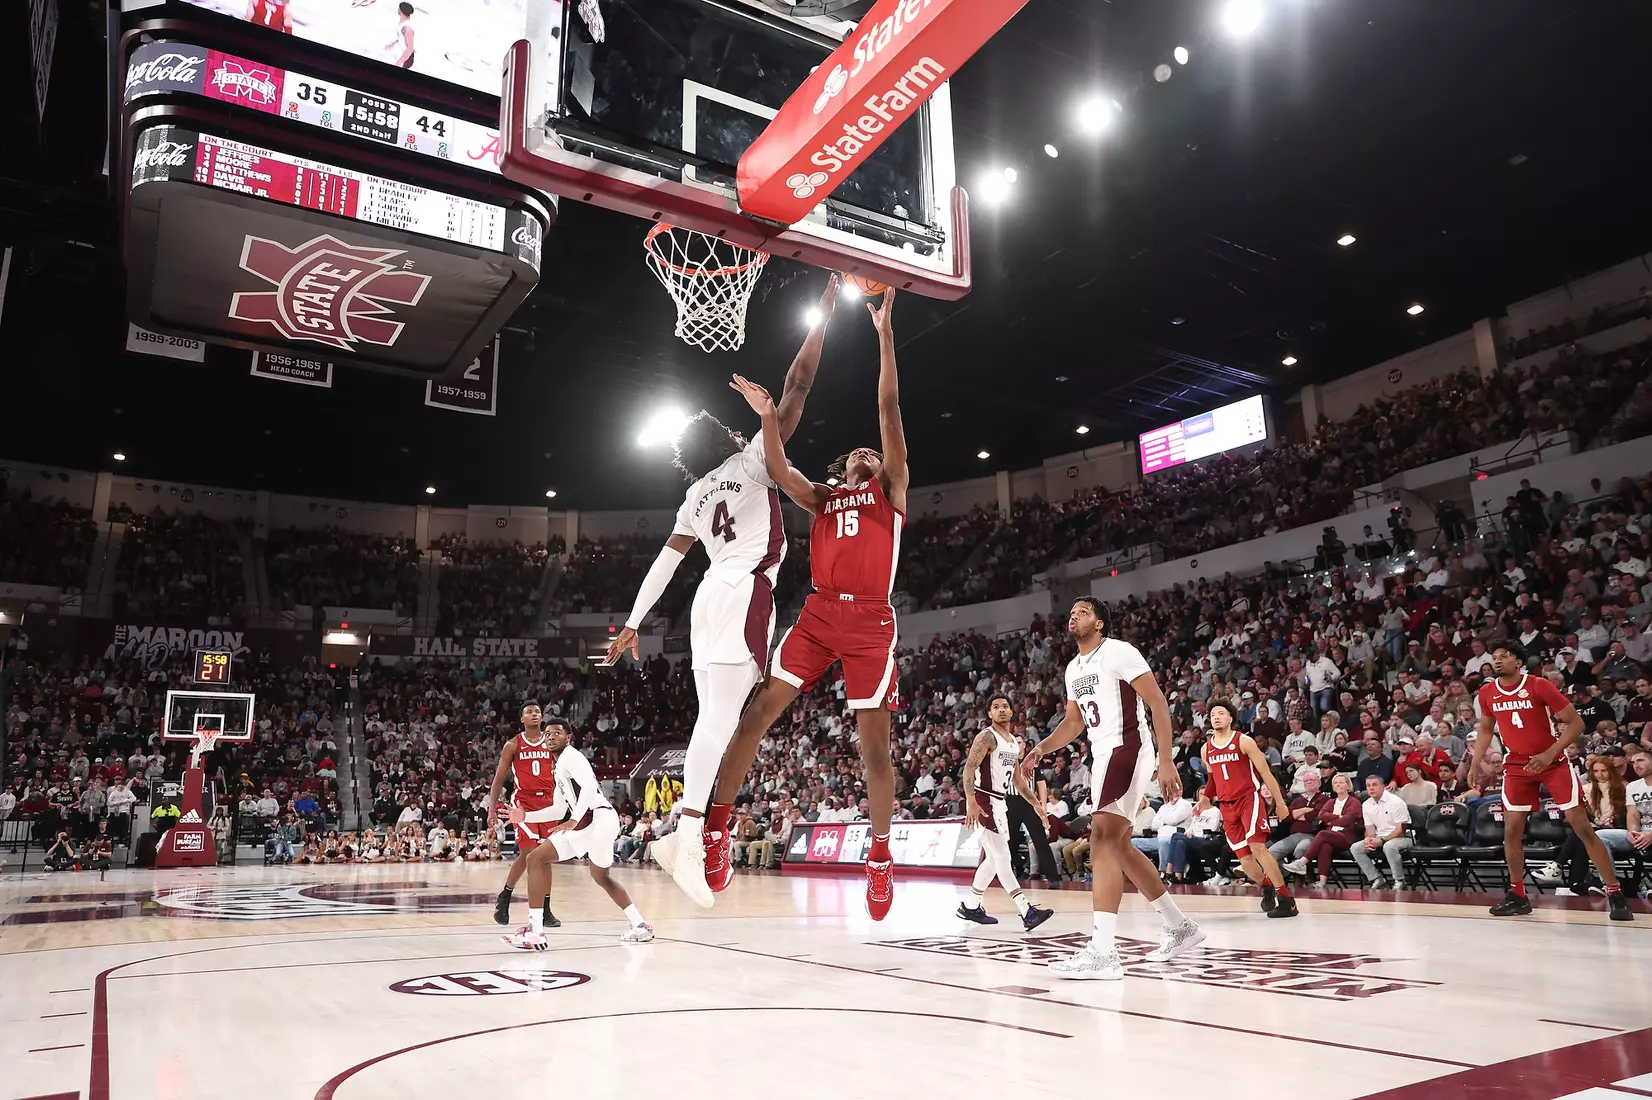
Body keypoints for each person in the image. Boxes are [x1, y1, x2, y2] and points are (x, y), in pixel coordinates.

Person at [604, 277, 838, 907]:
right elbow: (798, 388)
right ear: (729, 439)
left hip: (706, 597)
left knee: (718, 718)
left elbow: (665, 560)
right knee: (719, 721)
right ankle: (685, 835)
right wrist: (820, 317)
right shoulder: (756, 458)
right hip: (743, 588)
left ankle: (689, 836)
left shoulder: (691, 495)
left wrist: (634, 621)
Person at [708, 287, 907, 919]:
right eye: (859, 452)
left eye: (872, 452)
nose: (866, 452)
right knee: (756, 715)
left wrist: (883, 330)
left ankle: (879, 855)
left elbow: (889, 405)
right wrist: (769, 418)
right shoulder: (822, 497)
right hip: (820, 614)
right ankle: (717, 828)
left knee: (875, 749)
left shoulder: (890, 491)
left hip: (871, 622)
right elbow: (777, 466)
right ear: (846, 465)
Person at [1022, 598, 1204, 979]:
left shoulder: (1119, 651)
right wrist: (1041, 747)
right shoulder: (1073, 667)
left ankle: (1103, 951)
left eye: (1083, 611)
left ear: (1100, 623)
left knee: (1101, 839)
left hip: (1129, 746)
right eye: (1071, 612)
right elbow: (1074, 723)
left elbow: (1157, 702)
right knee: (1118, 846)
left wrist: (1168, 759)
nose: (1074, 615)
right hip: (1102, 755)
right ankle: (1179, 926)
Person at [1466, 640, 1632, 921]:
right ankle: (1518, 894)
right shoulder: (1487, 692)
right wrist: (1474, 763)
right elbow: (1485, 729)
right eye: (1494, 657)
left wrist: (1549, 753)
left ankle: (1615, 893)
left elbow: (1576, 723)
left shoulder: (1539, 685)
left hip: (1553, 762)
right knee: (1511, 831)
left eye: (1503, 656)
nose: (1497, 661)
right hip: (1517, 764)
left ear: (1518, 662)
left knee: (1582, 827)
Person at [502, 719, 654, 950]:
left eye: (557, 733)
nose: (551, 737)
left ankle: (535, 931)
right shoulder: (560, 766)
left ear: (568, 738)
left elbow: (589, 788)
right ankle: (640, 924)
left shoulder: (571, 756)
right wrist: (525, 818)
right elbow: (557, 809)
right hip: (602, 822)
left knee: (535, 858)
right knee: (601, 876)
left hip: (594, 820)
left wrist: (574, 820)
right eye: (548, 733)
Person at [957, 694, 1055, 930]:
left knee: (992, 860)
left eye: (1005, 706)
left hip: (999, 802)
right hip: (983, 799)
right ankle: (1026, 910)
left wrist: (1036, 805)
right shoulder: (986, 737)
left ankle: (970, 907)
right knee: (1002, 856)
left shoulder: (1012, 742)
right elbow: (968, 770)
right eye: (995, 707)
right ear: (989, 714)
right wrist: (970, 800)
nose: (1001, 710)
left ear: (1012, 712)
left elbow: (1019, 780)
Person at [1201, 701, 1299, 917]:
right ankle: (1265, 885)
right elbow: (1212, 780)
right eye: (1212, 714)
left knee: (1257, 847)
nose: (1215, 717)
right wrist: (1205, 798)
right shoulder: (1206, 749)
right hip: (1226, 806)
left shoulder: (1243, 741)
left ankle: (1285, 899)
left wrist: (1280, 803)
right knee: (1245, 860)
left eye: (1221, 713)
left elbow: (1266, 773)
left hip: (1248, 799)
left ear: (1230, 719)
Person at [483, 703, 561, 931]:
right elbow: (498, 779)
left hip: (548, 801)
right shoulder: (513, 744)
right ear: (522, 719)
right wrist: (491, 810)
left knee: (546, 855)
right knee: (529, 853)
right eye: (529, 712)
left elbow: (565, 771)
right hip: (523, 803)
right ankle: (505, 896)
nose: (534, 714)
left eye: (537, 711)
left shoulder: (551, 743)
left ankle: (546, 909)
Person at [1286, 772, 1362, 887]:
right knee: (1325, 846)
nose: (1338, 785)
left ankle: (1301, 863)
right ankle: (1322, 882)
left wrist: (1331, 820)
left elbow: (1347, 820)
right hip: (1332, 835)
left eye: (1341, 782)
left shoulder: (1354, 802)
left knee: (1322, 834)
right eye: (1335, 783)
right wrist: (1338, 818)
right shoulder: (1331, 802)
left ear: (1348, 786)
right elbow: (1321, 815)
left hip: (1347, 836)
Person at [1350, 774, 1413, 889]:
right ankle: (1376, 878)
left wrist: (1381, 840)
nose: (1371, 788)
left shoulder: (1396, 802)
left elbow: (1401, 830)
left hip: (1403, 838)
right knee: (1356, 848)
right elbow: (1370, 828)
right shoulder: (1366, 804)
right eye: (1368, 785)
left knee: (1389, 846)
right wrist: (1369, 839)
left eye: (1375, 785)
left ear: (1383, 786)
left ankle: (1400, 881)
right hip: (1380, 837)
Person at [386, 2, 415, 69]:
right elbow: (402, 36)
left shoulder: (407, 28)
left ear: (400, 10)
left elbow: (410, 49)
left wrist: (399, 62)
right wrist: (393, 43)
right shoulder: (402, 23)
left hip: (407, 58)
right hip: (404, 54)